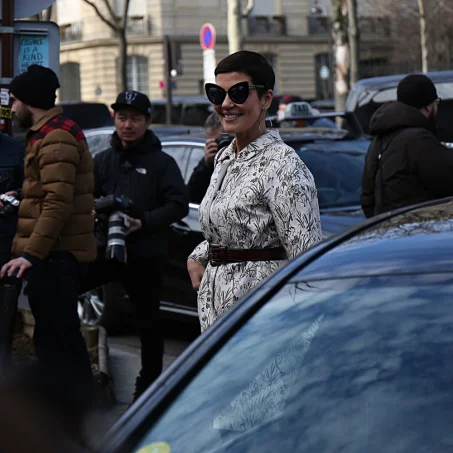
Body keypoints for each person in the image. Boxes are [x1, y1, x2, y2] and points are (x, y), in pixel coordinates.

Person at [187, 51, 322, 332]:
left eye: (238, 93)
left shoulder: (284, 166)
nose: (226, 104)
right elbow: (232, 227)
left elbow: (307, 264)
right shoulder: (224, 157)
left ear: (266, 99)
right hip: (216, 319)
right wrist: (200, 255)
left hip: (264, 323)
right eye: (216, 93)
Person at [79, 90, 188, 400]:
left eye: (135, 119)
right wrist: (95, 211)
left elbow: (178, 204)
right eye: (122, 118)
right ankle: (77, 368)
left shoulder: (161, 163)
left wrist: (145, 221)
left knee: (149, 324)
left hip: (145, 253)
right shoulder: (103, 160)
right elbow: (88, 197)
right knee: (67, 289)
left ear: (147, 122)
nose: (128, 125)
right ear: (115, 119)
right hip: (105, 249)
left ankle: (149, 386)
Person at [0, 65, 97, 406]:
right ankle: (74, 413)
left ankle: (70, 417)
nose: (11, 108)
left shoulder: (55, 136)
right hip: (53, 255)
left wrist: (30, 254)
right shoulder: (49, 132)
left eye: (14, 101)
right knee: (60, 338)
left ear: (28, 101)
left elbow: (57, 204)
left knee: (57, 342)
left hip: (56, 258)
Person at [361, 73, 453, 218]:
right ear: (429, 106)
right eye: (436, 102)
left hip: (384, 233)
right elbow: (448, 182)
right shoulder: (420, 141)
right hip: (420, 232)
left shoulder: (376, 143)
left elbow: (367, 200)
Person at [0, 132, 24, 366]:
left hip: (6, 250)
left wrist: (16, 196)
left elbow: (33, 191)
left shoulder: (16, 150)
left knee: (4, 323)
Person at [187, 112, 229, 203]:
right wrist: (206, 165)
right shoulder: (208, 162)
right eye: (217, 142)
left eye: (225, 139)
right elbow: (193, 196)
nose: (222, 146)